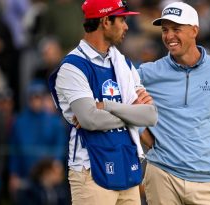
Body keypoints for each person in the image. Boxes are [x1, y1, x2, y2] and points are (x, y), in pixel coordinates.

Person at [137, 2, 210, 205]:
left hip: (207, 181)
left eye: (176, 29)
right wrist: (140, 129)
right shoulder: (148, 73)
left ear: (194, 31)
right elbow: (117, 94)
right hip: (161, 175)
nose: (169, 36)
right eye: (165, 30)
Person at [48, 0, 158, 204]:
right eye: (122, 19)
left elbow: (150, 115)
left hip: (127, 165)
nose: (126, 26)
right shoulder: (73, 67)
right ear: (106, 21)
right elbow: (90, 120)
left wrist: (108, 107)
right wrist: (131, 114)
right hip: (90, 171)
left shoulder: (124, 63)